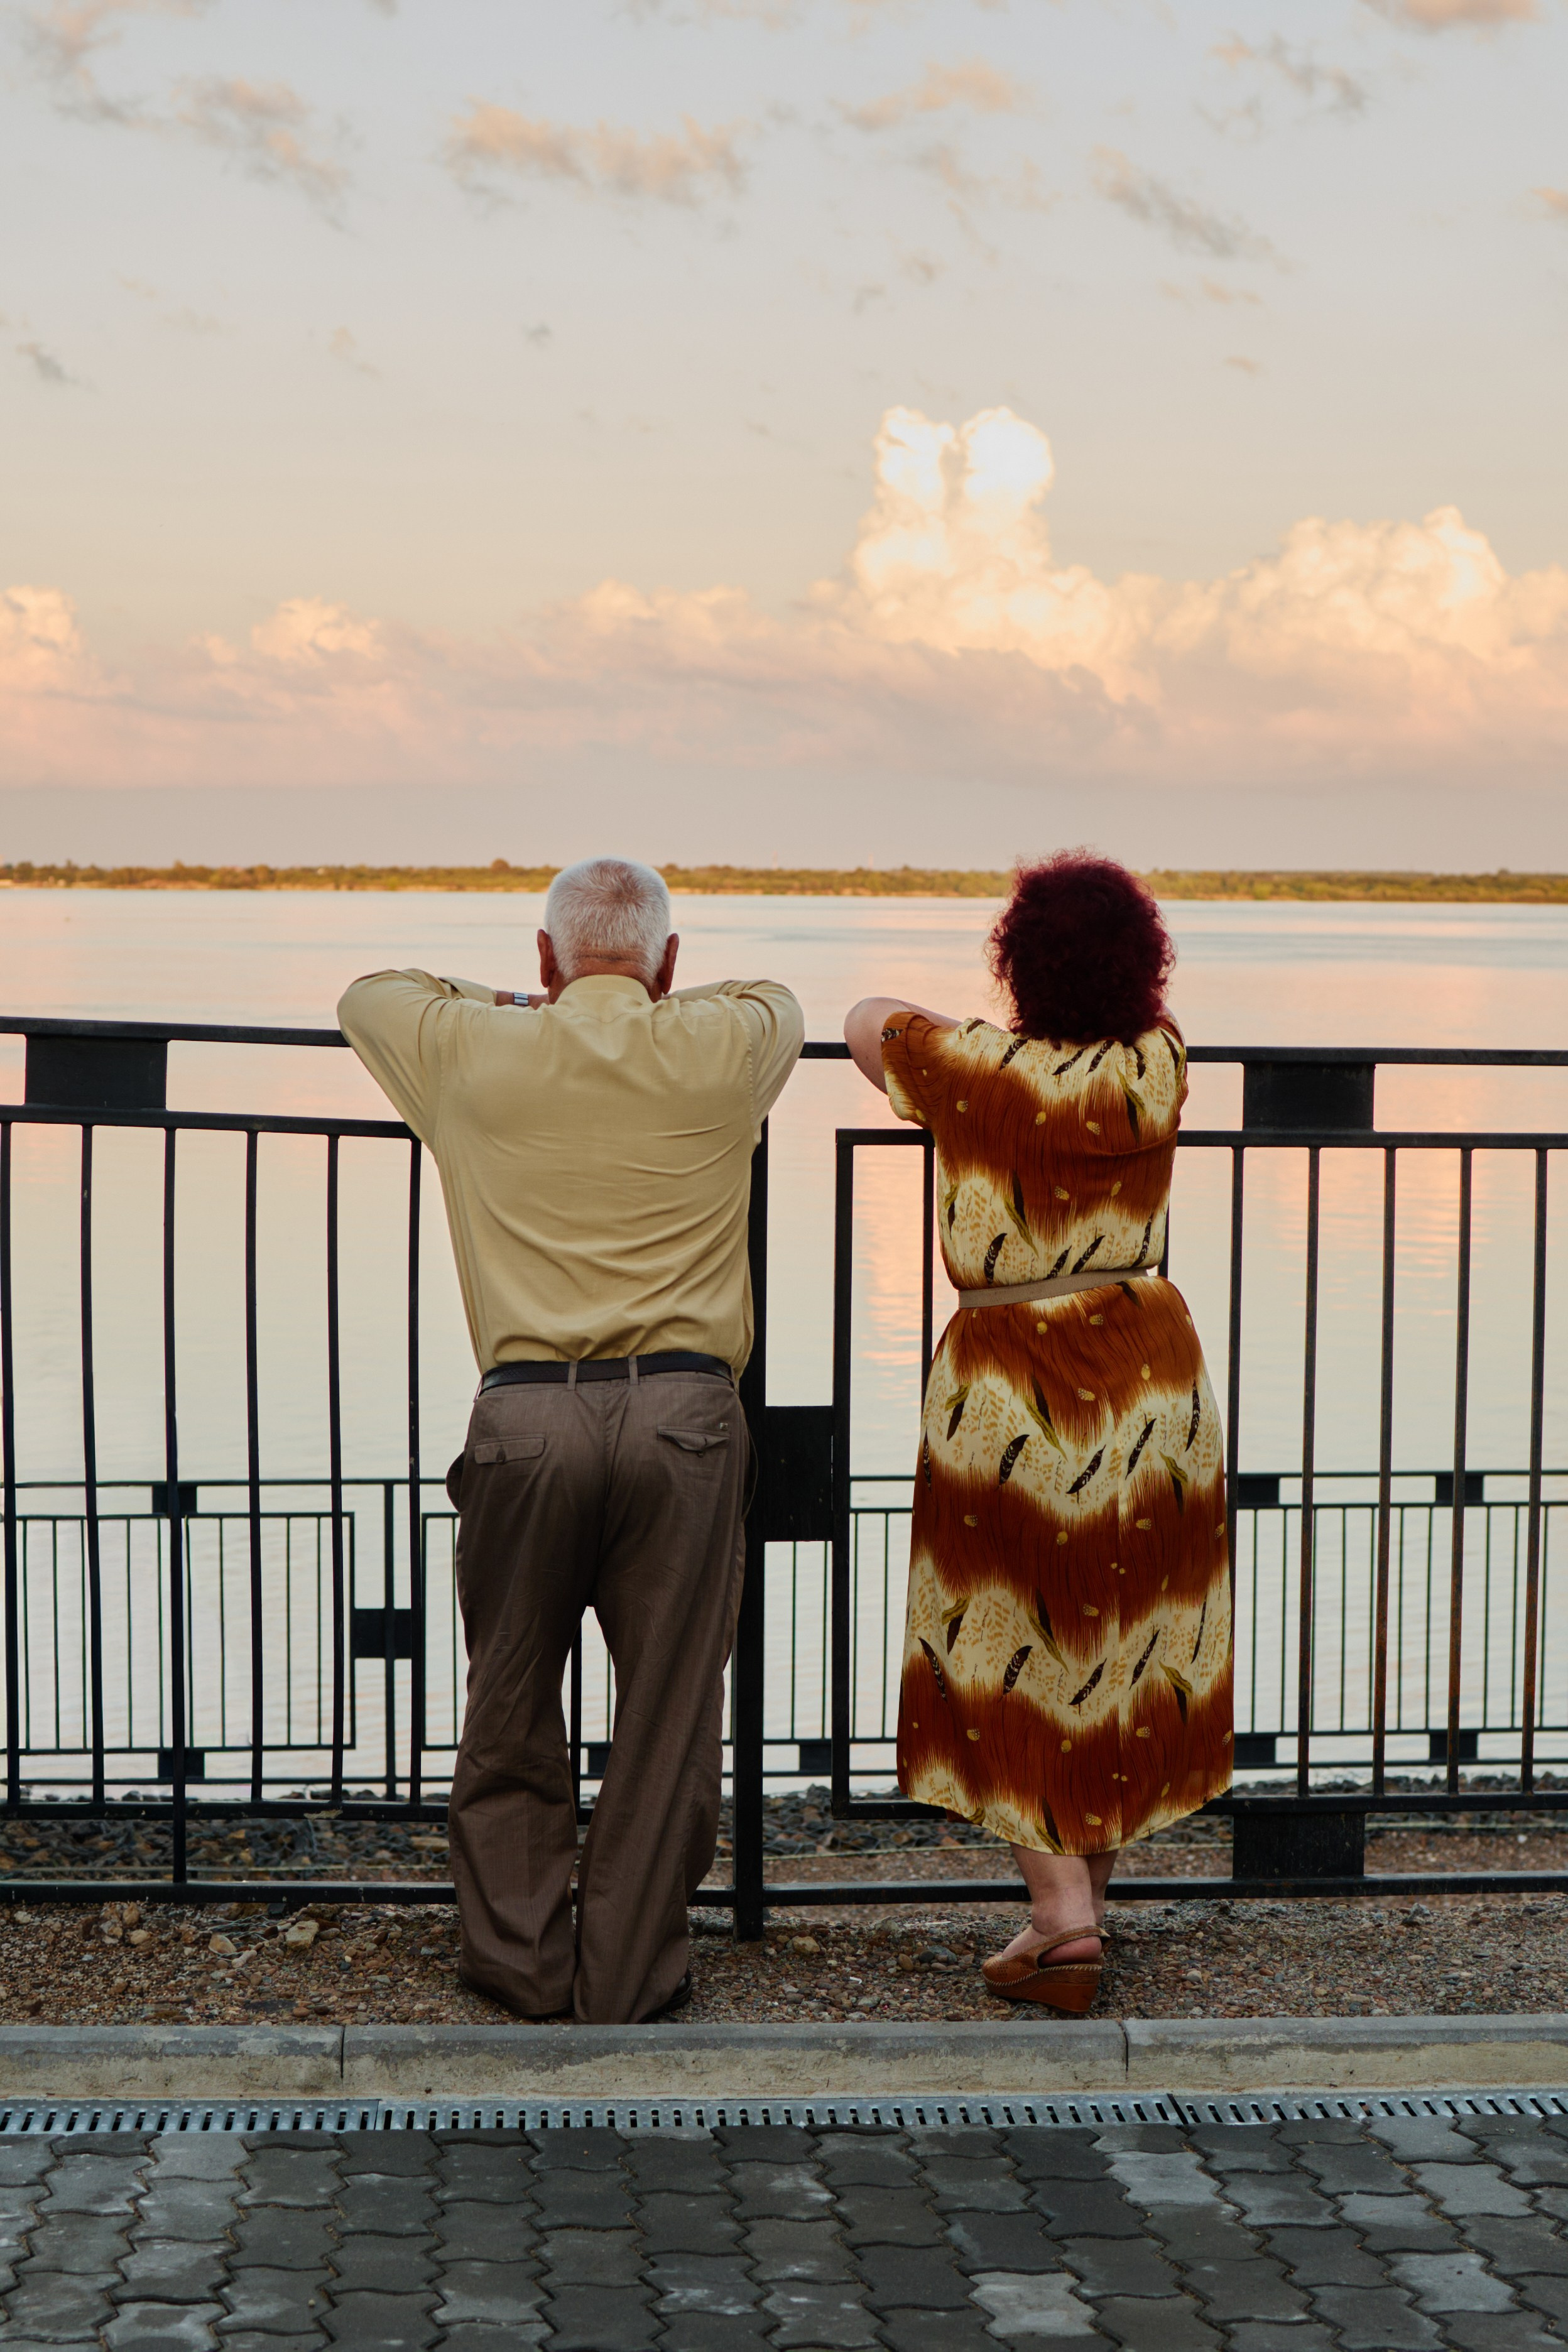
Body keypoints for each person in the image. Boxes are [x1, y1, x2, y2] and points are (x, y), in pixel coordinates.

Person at [339, 856, 804, 2024]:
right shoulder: (722, 1044)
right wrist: (635, 1001)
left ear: (542, 958)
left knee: (509, 1701)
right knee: (666, 1716)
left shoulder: (468, 1050)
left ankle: (523, 1965)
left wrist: (521, 1004)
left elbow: (371, 993)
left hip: (528, 1417)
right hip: (687, 1420)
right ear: (669, 962)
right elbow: (774, 1000)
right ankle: (632, 1980)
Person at [843, 851, 1232, 2012]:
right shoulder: (1158, 1065)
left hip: (1009, 1375)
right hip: (1149, 1370)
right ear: (1145, 965)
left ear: (1017, 963)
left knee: (998, 1631)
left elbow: (864, 1019)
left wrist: (970, 1026)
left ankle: (1062, 1919)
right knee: (1122, 1633)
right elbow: (1145, 1037)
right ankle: (1080, 1915)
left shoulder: (970, 1068)